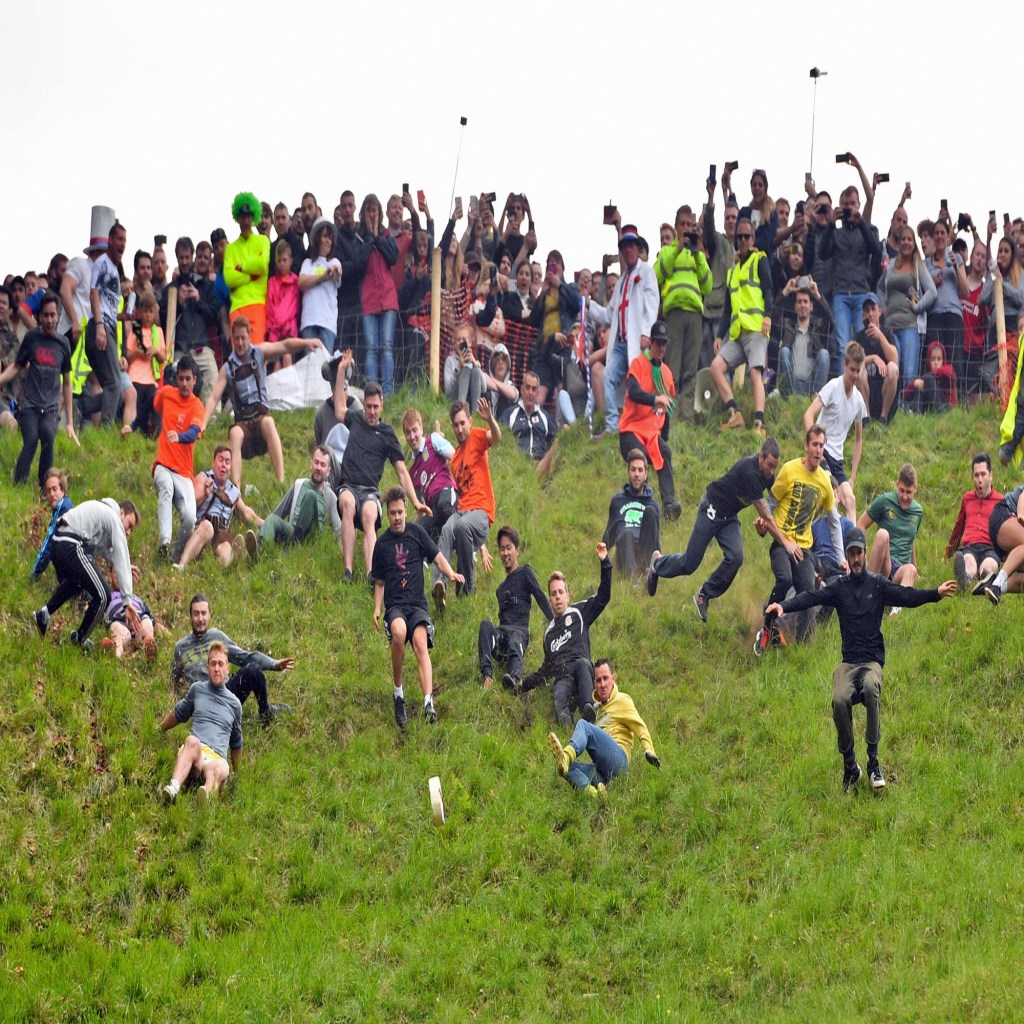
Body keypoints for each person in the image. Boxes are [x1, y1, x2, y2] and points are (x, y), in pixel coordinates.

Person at [765, 527, 956, 791]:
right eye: (851, 554)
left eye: (859, 553)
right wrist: (783, 606)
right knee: (839, 699)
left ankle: (873, 762)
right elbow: (810, 597)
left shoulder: (878, 585)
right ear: (847, 556)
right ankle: (850, 766)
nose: (856, 559)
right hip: (848, 664)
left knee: (870, 688)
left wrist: (935, 593)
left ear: (866, 553)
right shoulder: (839, 588)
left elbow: (907, 596)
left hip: (871, 663)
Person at [648, 437, 785, 623]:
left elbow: (772, 502)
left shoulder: (767, 475)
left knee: (736, 557)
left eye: (775, 467)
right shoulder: (750, 471)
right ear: (761, 457)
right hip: (711, 509)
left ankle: (704, 595)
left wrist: (765, 521)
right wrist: (785, 543)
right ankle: (657, 564)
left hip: (729, 517)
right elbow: (766, 514)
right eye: (770, 465)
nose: (772, 471)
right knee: (689, 564)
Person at [371, 486, 464, 729]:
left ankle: (427, 701)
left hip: (417, 605)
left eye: (400, 512)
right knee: (399, 633)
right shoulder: (381, 544)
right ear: (387, 514)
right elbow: (379, 582)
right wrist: (377, 609)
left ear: (406, 510)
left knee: (421, 642)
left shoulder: (416, 532)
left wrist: (451, 574)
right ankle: (398, 692)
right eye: (392, 513)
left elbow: (437, 557)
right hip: (396, 606)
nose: (397, 517)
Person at [330, 351, 426, 581]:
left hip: (370, 492)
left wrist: (415, 501)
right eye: (368, 406)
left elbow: (401, 471)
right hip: (348, 486)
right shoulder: (356, 419)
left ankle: (372, 574)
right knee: (348, 504)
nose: (372, 411)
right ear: (363, 405)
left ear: (382, 405)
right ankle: (348, 570)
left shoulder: (387, 434)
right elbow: (339, 409)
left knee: (369, 514)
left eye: (375, 407)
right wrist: (341, 371)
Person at [201, 316, 321, 487]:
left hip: (261, 418)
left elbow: (285, 346)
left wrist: (307, 342)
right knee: (235, 434)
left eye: (243, 338)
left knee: (269, 423)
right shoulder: (227, 368)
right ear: (232, 338)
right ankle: (235, 490)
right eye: (237, 338)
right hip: (243, 424)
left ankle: (281, 483)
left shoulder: (259, 353)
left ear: (249, 336)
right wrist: (203, 423)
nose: (240, 343)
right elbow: (214, 397)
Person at [755, 425, 844, 652]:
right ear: (806, 446)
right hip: (781, 543)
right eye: (814, 444)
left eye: (822, 445)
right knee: (784, 579)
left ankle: (803, 647)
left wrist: (841, 557)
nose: (818, 450)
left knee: (808, 593)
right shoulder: (789, 470)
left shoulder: (824, 481)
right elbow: (770, 503)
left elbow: (834, 522)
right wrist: (763, 522)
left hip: (803, 550)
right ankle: (767, 626)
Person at [522, 543, 612, 729]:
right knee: (559, 691)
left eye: (561, 592)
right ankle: (567, 728)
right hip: (564, 680)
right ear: (549, 600)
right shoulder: (548, 635)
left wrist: (605, 563)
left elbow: (603, 596)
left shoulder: (579, 612)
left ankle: (589, 711)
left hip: (584, 675)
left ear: (568, 596)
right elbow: (546, 670)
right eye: (553, 594)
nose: (557, 597)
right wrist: (522, 686)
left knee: (582, 664)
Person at [34, 498, 141, 650]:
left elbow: (110, 553)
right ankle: (80, 638)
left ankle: (43, 615)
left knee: (78, 583)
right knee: (104, 596)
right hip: (71, 543)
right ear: (121, 513)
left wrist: (124, 566)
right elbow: (120, 550)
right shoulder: (112, 516)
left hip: (58, 542)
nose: (128, 532)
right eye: (129, 525)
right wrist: (127, 602)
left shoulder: (101, 517)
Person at [171, 594, 293, 725]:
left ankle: (265, 713)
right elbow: (175, 681)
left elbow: (245, 657)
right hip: (203, 704)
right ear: (190, 616)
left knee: (252, 670)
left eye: (203, 613)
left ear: (209, 615)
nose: (200, 619)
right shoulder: (180, 647)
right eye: (196, 614)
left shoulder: (216, 636)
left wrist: (274, 664)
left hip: (226, 694)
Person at [546, 658, 660, 797]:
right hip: (602, 771)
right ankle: (594, 794)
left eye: (606, 678)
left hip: (619, 761)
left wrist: (649, 750)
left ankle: (567, 755)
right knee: (565, 768)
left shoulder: (622, 700)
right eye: (598, 681)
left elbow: (640, 727)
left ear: (613, 679)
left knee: (583, 725)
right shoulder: (597, 709)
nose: (602, 684)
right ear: (594, 684)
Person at [0, 292, 79, 486]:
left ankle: (45, 490)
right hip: (29, 405)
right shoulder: (31, 338)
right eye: (46, 315)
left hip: (50, 408)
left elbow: (67, 382)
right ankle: (18, 485)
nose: (50, 320)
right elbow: (17, 366)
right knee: (31, 439)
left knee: (48, 438)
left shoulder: (63, 344)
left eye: (53, 315)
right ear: (39, 316)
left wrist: (69, 422)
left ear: (58, 315)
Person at [432, 397, 501, 607]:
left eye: (463, 423)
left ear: (470, 422)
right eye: (456, 425)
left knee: (462, 527)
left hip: (481, 511)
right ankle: (440, 585)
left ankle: (467, 590)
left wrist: (490, 420)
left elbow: (496, 438)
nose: (460, 429)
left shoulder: (477, 437)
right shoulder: (454, 460)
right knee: (447, 529)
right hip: (463, 510)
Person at [588, 231, 660, 433]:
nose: (628, 250)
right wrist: (588, 305)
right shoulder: (621, 282)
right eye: (624, 247)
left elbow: (652, 303)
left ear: (637, 248)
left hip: (638, 341)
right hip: (621, 344)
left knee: (639, 384)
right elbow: (609, 316)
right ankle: (613, 426)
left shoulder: (646, 271)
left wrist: (646, 333)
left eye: (631, 246)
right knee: (607, 378)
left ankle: (642, 424)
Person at [712, 218, 773, 434]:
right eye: (740, 237)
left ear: (753, 238)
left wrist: (768, 316)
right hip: (738, 333)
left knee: (755, 373)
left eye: (747, 236)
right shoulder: (733, 271)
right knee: (715, 368)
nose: (744, 240)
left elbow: (768, 290)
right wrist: (720, 335)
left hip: (756, 328)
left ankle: (759, 422)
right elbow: (727, 309)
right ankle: (735, 414)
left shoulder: (759, 259)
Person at [160, 643, 242, 804]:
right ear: (207, 668)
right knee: (191, 741)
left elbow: (236, 742)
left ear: (227, 669)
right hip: (196, 754)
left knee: (219, 768)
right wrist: (160, 729)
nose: (217, 668)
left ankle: (205, 794)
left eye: (221, 664)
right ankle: (173, 788)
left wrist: (238, 774)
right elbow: (179, 713)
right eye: (213, 664)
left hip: (216, 758)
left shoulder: (235, 704)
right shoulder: (197, 690)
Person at [478, 525, 553, 691]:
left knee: (515, 639)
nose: (505, 553)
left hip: (519, 633)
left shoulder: (525, 573)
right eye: (502, 549)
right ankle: (487, 676)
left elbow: (540, 597)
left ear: (517, 551)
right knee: (485, 625)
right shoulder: (500, 589)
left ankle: (514, 679)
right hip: (502, 636)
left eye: (509, 548)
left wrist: (556, 622)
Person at [618, 321, 681, 520]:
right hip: (631, 430)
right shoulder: (638, 364)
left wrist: (665, 437)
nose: (661, 348)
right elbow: (634, 392)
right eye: (658, 343)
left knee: (665, 452)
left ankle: (669, 506)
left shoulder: (667, 373)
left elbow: (666, 408)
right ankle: (640, 505)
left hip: (652, 434)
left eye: (664, 344)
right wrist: (654, 399)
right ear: (651, 343)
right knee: (641, 457)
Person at [654, 203, 712, 418]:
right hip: (674, 314)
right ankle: (670, 417)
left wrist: (698, 255)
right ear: (677, 226)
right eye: (683, 224)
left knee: (690, 369)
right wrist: (677, 249)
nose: (686, 228)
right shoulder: (667, 251)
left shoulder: (697, 254)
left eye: (690, 225)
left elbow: (708, 285)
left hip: (695, 315)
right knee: (672, 367)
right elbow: (656, 274)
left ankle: (686, 418)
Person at [804, 341, 867, 525]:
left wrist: (853, 476)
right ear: (844, 365)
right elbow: (809, 414)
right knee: (831, 496)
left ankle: (853, 542)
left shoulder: (858, 400)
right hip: (822, 453)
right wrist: (814, 447)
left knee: (850, 499)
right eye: (852, 369)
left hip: (837, 460)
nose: (854, 375)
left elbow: (858, 439)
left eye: (858, 371)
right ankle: (803, 531)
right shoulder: (833, 386)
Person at [152, 355, 205, 562]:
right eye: (181, 378)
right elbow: (150, 404)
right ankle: (164, 542)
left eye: (188, 379)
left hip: (184, 472)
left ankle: (174, 556)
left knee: (190, 517)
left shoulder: (197, 406)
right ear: (176, 379)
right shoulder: (167, 394)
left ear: (194, 380)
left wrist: (179, 437)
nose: (184, 383)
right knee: (165, 488)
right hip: (163, 464)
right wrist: (134, 424)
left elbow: (193, 433)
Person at [247, 445, 342, 555]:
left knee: (310, 496)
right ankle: (259, 550)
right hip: (292, 532)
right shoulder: (298, 484)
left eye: (323, 465)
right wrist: (264, 529)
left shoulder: (331, 497)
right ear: (311, 464)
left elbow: (339, 531)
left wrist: (340, 556)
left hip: (312, 539)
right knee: (272, 518)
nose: (318, 468)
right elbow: (278, 513)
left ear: (328, 471)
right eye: (316, 462)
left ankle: (293, 546)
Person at [175, 445, 257, 569]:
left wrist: (264, 523)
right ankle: (182, 564)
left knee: (226, 547)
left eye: (227, 462)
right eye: (221, 460)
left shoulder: (234, 491)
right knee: (207, 527)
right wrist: (205, 494)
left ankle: (226, 561)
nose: (224, 465)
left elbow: (246, 513)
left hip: (222, 531)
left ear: (230, 468)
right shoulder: (203, 478)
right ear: (213, 463)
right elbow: (190, 504)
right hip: (202, 526)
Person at [85, 220, 127, 426]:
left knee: (117, 392)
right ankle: (105, 430)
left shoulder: (115, 271)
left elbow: (108, 308)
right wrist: (100, 326)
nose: (123, 244)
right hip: (99, 329)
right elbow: (93, 292)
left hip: (106, 328)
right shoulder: (102, 262)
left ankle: (81, 407)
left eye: (125, 240)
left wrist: (125, 317)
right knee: (114, 385)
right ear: (110, 240)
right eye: (119, 239)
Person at [857, 464, 923, 590]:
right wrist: (863, 555)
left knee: (911, 569)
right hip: (884, 564)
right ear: (897, 485)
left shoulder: (918, 512)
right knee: (883, 534)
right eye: (901, 491)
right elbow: (861, 524)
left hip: (900, 570)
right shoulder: (884, 501)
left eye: (909, 492)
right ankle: (868, 588)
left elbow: (911, 539)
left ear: (915, 488)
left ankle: (898, 602)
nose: (904, 496)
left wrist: (915, 568)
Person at [945, 453, 1003, 591]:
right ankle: (965, 580)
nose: (980, 480)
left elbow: (1007, 530)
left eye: (983, 474)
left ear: (991, 475)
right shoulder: (967, 499)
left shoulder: (1001, 501)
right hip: (970, 546)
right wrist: (948, 553)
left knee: (988, 565)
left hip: (990, 548)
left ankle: (986, 580)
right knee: (969, 563)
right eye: (976, 475)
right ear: (972, 476)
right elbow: (958, 528)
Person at [401, 406, 457, 543]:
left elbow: (456, 459)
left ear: (421, 428)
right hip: (433, 509)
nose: (412, 436)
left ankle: (466, 542)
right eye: (408, 433)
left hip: (447, 492)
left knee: (444, 505)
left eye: (414, 430)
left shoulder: (432, 441)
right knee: (415, 533)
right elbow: (420, 507)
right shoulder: (412, 473)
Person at [604, 448, 661, 582]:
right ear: (628, 472)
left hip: (644, 551)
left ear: (646, 474)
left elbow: (655, 539)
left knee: (650, 511)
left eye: (640, 470)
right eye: (633, 470)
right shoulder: (617, 501)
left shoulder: (653, 504)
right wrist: (603, 553)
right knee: (626, 532)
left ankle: (649, 573)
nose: (636, 474)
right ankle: (632, 581)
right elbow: (609, 534)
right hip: (625, 548)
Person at [223, 192, 270, 345]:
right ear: (237, 218)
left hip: (258, 304)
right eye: (242, 216)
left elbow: (262, 265)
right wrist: (251, 276)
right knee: (239, 355)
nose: (245, 220)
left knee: (257, 352)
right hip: (237, 307)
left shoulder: (263, 240)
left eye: (249, 216)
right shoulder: (230, 248)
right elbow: (229, 278)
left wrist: (241, 267)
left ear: (253, 217)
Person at [972, 484, 1024, 604]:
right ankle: (997, 584)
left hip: (1011, 541)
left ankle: (993, 586)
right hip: (1004, 515)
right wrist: (1021, 514)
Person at [854, 296, 900, 424]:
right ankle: (866, 418)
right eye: (867, 310)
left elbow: (895, 359)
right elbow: (851, 363)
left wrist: (880, 337)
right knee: (859, 370)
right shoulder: (858, 337)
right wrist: (873, 358)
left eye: (873, 309)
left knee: (892, 368)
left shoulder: (888, 334)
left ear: (879, 311)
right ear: (863, 315)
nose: (870, 314)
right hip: (865, 394)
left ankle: (883, 418)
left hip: (884, 393)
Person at [298, 217, 342, 353]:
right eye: (324, 236)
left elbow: (337, 271)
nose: (328, 241)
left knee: (325, 364)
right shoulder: (307, 263)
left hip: (327, 323)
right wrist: (322, 277)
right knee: (310, 363)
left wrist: (332, 272)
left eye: (330, 237)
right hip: (309, 321)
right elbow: (301, 282)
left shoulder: (334, 261)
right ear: (317, 239)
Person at [31, 467, 74, 581]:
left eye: (55, 489)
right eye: (48, 491)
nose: (51, 494)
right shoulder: (66, 505)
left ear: (63, 489)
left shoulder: (63, 509)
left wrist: (33, 576)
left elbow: (48, 546)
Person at [505, 371, 555, 462]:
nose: (530, 393)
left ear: (537, 393)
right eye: (527, 388)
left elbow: (556, 437)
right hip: (517, 463)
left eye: (534, 389)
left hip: (540, 463)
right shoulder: (510, 414)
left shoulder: (545, 417)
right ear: (522, 390)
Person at [103, 590, 158, 659]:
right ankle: (115, 651)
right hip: (118, 619)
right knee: (118, 633)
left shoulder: (133, 596)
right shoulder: (106, 594)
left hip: (138, 617)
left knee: (146, 625)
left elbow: (148, 614)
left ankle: (149, 645)